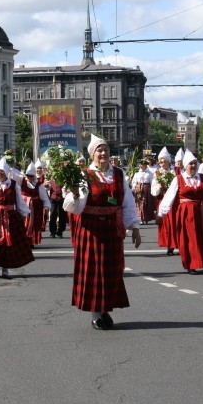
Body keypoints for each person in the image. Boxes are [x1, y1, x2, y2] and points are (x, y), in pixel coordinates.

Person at [64, 134, 141, 330]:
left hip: (112, 229)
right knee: (93, 271)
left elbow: (127, 202)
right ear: (92, 155)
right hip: (91, 228)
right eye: (99, 150)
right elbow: (75, 206)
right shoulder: (84, 174)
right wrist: (74, 194)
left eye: (106, 149)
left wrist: (135, 227)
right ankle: (95, 314)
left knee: (109, 271)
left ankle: (105, 308)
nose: (103, 153)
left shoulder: (118, 174)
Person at [158, 150, 203, 274]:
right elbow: (169, 196)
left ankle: (199, 261)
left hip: (201, 212)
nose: (193, 166)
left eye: (195, 163)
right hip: (185, 212)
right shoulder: (179, 179)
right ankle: (190, 264)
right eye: (191, 164)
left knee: (199, 238)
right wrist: (161, 213)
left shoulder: (202, 178)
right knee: (188, 239)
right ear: (185, 165)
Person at [151, 147, 177, 256]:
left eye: (163, 159)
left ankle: (177, 243)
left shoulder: (175, 171)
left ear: (168, 160)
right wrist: (159, 187)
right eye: (159, 159)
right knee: (165, 223)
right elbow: (153, 191)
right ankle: (169, 245)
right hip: (162, 200)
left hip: (174, 201)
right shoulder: (157, 173)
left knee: (175, 223)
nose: (160, 161)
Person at [21, 162, 50, 247]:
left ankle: (30, 242)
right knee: (23, 224)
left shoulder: (39, 185)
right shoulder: (22, 182)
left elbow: (45, 198)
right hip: (24, 206)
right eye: (28, 175)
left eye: (31, 176)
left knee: (33, 225)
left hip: (35, 208)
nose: (29, 178)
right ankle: (23, 241)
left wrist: (46, 206)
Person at [131, 160, 154, 224]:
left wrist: (152, 190)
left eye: (143, 165)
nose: (141, 166)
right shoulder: (137, 173)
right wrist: (134, 188)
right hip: (139, 189)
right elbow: (134, 182)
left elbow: (152, 182)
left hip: (146, 189)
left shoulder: (149, 173)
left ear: (145, 166)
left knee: (145, 203)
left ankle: (146, 218)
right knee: (139, 203)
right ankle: (140, 218)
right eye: (140, 164)